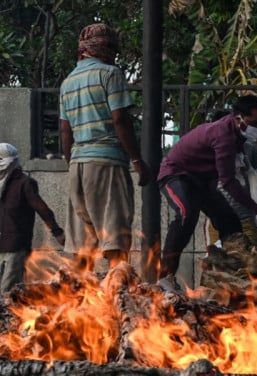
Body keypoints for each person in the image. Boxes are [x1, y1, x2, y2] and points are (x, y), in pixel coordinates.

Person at [59, 23, 151, 272]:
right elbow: (120, 119)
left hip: (77, 164)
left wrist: (73, 164)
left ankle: (77, 302)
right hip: (107, 162)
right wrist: (137, 160)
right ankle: (117, 297)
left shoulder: (68, 82)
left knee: (81, 245)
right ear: (107, 49)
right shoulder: (110, 74)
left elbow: (65, 131)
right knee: (115, 238)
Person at [157, 95, 257, 285]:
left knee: (230, 222)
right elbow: (228, 182)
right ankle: (165, 278)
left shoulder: (239, 137)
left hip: (204, 180)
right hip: (177, 175)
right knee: (186, 214)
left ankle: (237, 274)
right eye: (253, 123)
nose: (256, 129)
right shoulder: (223, 135)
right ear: (238, 118)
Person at [0, 143, 65, 292]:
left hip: (15, 247)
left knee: (8, 292)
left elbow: (42, 209)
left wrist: (57, 231)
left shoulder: (24, 183)